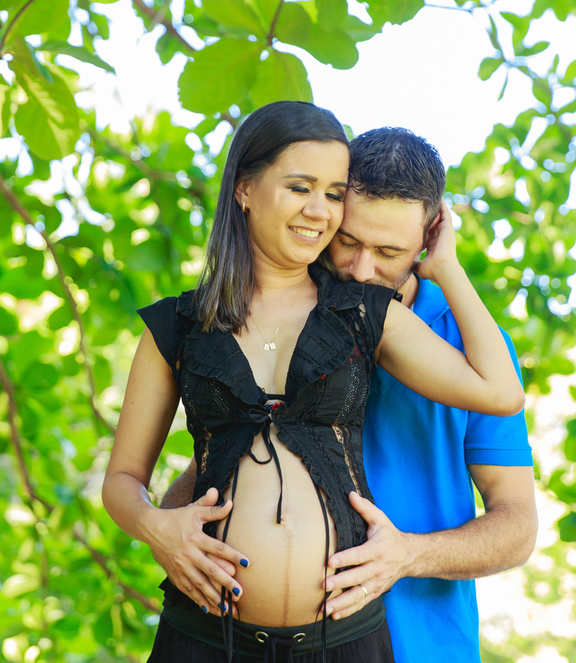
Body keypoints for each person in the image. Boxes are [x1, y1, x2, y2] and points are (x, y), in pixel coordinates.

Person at [100, 102, 525, 663]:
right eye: (348, 241)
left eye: (391, 252)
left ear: (427, 239)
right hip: (221, 634)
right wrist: (164, 527)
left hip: (407, 641)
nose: (363, 270)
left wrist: (406, 555)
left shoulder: (453, 341)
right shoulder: (224, 323)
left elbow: (516, 519)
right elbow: (214, 463)